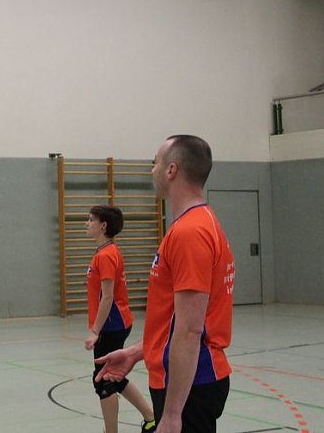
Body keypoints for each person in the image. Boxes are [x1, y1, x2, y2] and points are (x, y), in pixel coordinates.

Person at [96, 135, 235, 433]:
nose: (152, 170)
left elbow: (190, 328)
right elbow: (176, 319)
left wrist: (173, 415)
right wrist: (137, 351)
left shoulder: (190, 233)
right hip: (186, 381)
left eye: (155, 162)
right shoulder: (195, 225)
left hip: (190, 386)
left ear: (172, 170)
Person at [84, 206, 155, 433]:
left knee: (103, 380)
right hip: (116, 322)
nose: (87, 223)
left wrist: (95, 330)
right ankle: (150, 416)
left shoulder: (106, 255)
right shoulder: (108, 251)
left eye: (91, 219)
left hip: (111, 324)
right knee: (112, 375)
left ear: (103, 225)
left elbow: (108, 296)